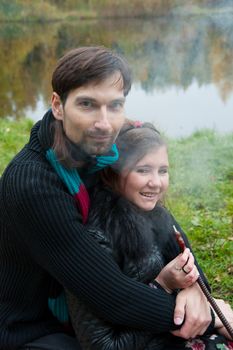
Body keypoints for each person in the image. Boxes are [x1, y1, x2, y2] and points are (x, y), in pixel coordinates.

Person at [0, 46, 216, 350]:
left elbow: (163, 220)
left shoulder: (102, 145)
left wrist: (197, 288)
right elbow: (111, 296)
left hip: (85, 311)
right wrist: (206, 317)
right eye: (87, 104)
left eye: (115, 105)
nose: (104, 123)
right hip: (33, 328)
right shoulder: (33, 184)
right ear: (58, 106)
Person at [66, 121, 233, 350]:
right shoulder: (95, 240)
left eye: (162, 171)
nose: (156, 183)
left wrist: (196, 292)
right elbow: (100, 344)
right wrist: (164, 290)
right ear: (112, 173)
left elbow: (196, 272)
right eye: (143, 170)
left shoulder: (157, 215)